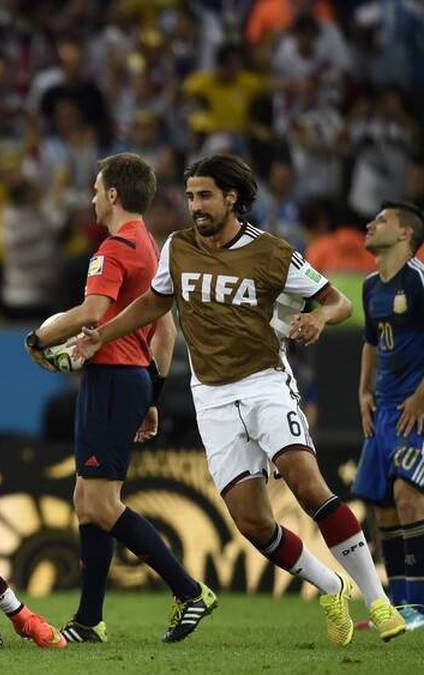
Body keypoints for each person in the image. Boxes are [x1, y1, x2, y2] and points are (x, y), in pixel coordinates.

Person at [71, 154, 408, 645]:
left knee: (306, 484)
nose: (195, 206)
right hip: (211, 394)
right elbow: (154, 303)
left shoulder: (272, 253)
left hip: (264, 383)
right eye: (189, 196)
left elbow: (339, 301)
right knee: (251, 521)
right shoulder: (178, 247)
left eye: (205, 195)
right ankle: (331, 585)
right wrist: (102, 335)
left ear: (232, 198)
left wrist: (318, 319)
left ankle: (378, 602)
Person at [25, 152, 212, 644]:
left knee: (103, 503)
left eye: (95, 188)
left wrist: (41, 336)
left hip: (111, 380)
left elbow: (91, 311)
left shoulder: (114, 248)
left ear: (112, 195)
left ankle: (190, 591)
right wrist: (151, 394)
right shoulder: (150, 246)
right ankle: (89, 620)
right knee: (87, 501)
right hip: (126, 380)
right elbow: (165, 331)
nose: (90, 197)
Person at [353, 201, 424, 630]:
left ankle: (419, 604)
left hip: (412, 412)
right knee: (382, 506)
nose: (370, 224)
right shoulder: (369, 285)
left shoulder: (418, 282)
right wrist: (363, 391)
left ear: (404, 235)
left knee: (408, 496)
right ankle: (398, 606)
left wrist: (420, 398)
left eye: (381, 220)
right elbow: (370, 342)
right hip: (381, 410)